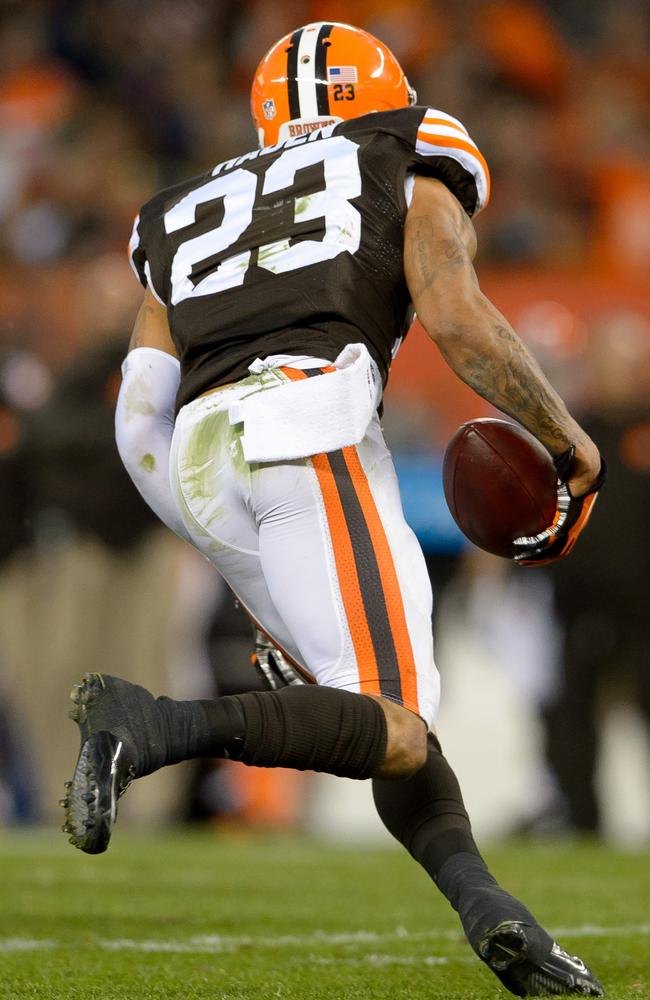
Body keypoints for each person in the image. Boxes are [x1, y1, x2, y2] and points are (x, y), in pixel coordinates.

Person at [61, 22, 605, 997]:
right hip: (304, 419)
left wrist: (223, 545)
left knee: (381, 712)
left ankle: (492, 912)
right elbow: (452, 314)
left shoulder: (175, 210)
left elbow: (138, 412)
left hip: (194, 454)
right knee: (393, 717)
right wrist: (565, 438)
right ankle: (156, 724)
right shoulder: (405, 145)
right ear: (380, 93)